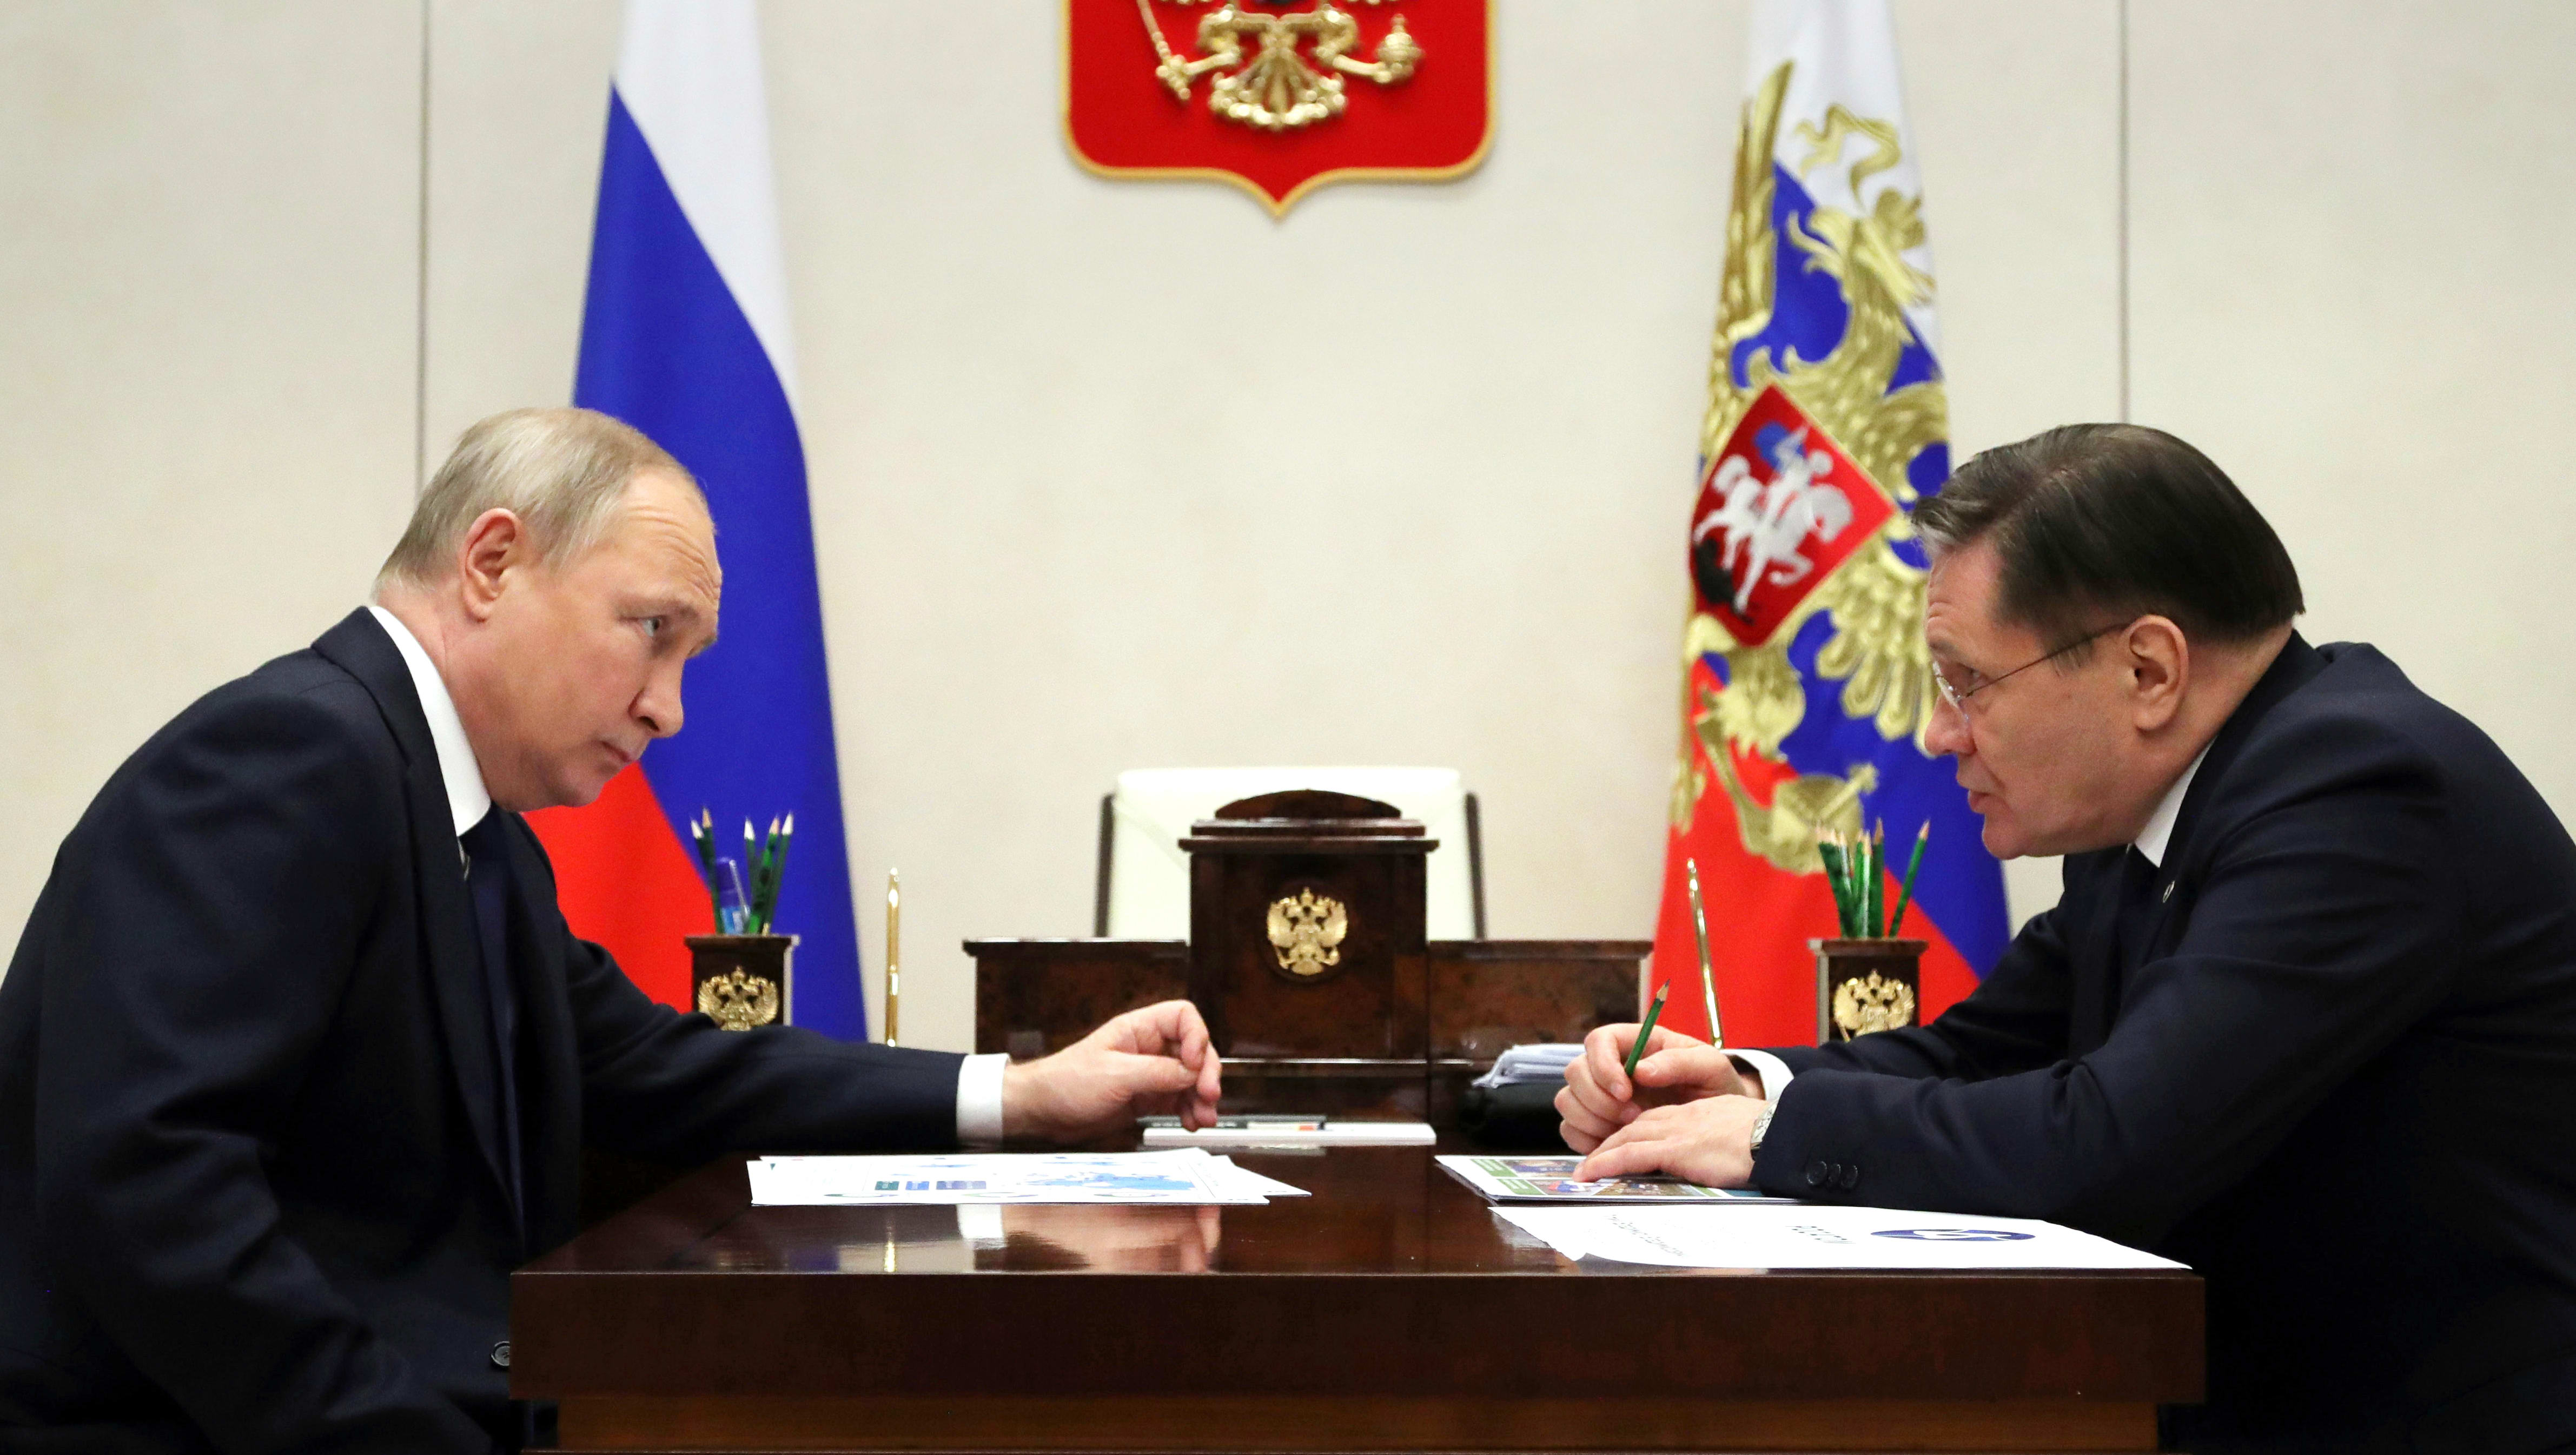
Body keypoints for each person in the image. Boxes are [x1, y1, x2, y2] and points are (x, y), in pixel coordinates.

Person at [0, 408, 1224, 1453]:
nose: (670, 709)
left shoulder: (469, 825)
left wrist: (1021, 1093)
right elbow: (147, 1184)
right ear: (492, 563)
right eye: (651, 630)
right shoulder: (291, 757)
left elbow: (653, 1066)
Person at [1558, 425, 2576, 1453]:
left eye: (1966, 682)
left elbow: (2108, 1141)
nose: (1939, 734)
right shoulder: (2170, 802)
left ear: (2148, 670)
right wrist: (1742, 1084)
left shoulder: (2358, 797)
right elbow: (1985, 1050)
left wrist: (1775, 1136)